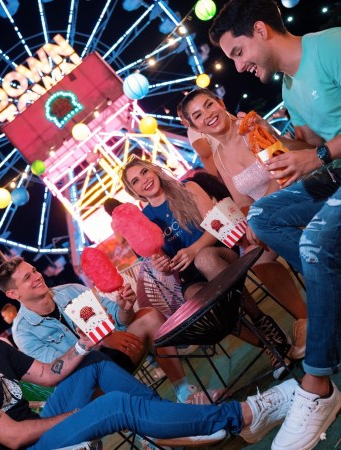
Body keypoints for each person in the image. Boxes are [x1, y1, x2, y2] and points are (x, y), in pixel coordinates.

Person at [0, 278, 299, 450]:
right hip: (28, 446)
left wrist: (82, 345)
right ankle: (245, 415)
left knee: (94, 363)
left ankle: (166, 425)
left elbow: (46, 375)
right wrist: (80, 413)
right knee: (112, 406)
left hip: (39, 427)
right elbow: (13, 437)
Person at [209, 1, 341, 449]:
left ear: (261, 30)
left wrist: (318, 156)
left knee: (315, 243)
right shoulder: (288, 87)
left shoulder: (330, 46)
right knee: (262, 216)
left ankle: (318, 386)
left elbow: (319, 153)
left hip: (334, 170)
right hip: (334, 176)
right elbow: (307, 146)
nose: (238, 66)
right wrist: (267, 137)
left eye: (239, 52)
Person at [120, 158, 294, 379]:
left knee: (205, 260)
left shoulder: (188, 188)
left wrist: (193, 250)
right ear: (134, 192)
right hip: (190, 275)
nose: (144, 180)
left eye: (145, 172)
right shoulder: (144, 220)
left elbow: (219, 223)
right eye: (135, 181)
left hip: (218, 252)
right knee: (204, 306)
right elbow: (166, 265)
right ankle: (269, 344)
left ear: (154, 170)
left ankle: (261, 321)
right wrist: (163, 266)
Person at [179, 88, 308, 360]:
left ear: (220, 103)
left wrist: (259, 213)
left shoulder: (250, 128)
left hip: (295, 195)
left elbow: (281, 169)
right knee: (257, 260)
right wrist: (250, 220)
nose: (208, 115)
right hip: (267, 218)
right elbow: (241, 201)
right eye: (198, 115)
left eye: (209, 105)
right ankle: (306, 319)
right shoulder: (219, 157)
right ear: (196, 128)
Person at [0, 257, 197, 403]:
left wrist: (125, 307)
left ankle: (185, 393)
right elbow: (58, 371)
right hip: (89, 382)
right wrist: (98, 341)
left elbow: (119, 319)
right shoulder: (23, 332)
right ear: (13, 294)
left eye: (34, 271)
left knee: (149, 316)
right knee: (94, 372)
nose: (37, 277)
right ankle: (147, 427)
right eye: (27, 278)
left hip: (117, 353)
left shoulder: (72, 290)